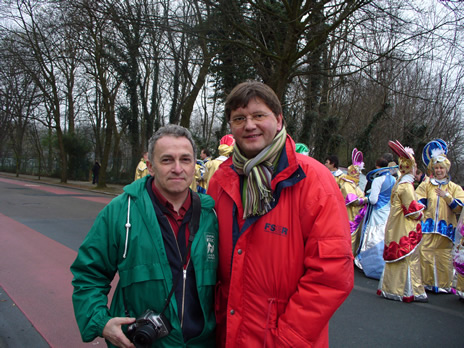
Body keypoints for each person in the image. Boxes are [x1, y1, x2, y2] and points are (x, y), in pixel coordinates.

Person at [207, 81, 353, 347]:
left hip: (283, 338)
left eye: (258, 115)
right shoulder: (220, 180)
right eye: (239, 118)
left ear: (278, 119)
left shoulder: (313, 180)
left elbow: (331, 274)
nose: (249, 125)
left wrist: (289, 338)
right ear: (231, 127)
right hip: (227, 332)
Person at [71, 125, 218, 348]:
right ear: (150, 166)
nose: (178, 168)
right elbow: (89, 275)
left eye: (185, 160)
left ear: (195, 166)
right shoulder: (121, 211)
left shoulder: (211, 215)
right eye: (167, 160)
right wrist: (101, 321)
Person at [377, 140, 427, 303]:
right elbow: (412, 210)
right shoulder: (406, 186)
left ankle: (397, 288)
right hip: (403, 227)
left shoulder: (401, 183)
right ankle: (401, 290)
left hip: (396, 224)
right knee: (405, 255)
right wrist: (422, 212)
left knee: (402, 256)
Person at [416, 139, 464, 293]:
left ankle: (443, 285)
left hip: (446, 229)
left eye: (441, 168)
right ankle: (426, 282)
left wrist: (447, 197)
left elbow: (459, 208)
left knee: (443, 257)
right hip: (428, 227)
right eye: (436, 168)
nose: (439, 171)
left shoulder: (454, 188)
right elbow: (418, 202)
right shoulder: (426, 185)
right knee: (425, 254)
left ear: (446, 169)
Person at [355, 157, 396, 279]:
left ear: (378, 166)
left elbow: (373, 199)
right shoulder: (394, 179)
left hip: (377, 212)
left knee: (373, 236)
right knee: (384, 237)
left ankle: (370, 265)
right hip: (388, 212)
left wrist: (365, 198)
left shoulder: (378, 180)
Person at [339, 148, 368, 256]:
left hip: (355, 218)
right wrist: (366, 199)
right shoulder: (347, 185)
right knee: (349, 238)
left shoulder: (354, 184)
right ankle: (346, 256)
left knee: (354, 238)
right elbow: (352, 200)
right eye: (357, 174)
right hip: (349, 217)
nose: (359, 176)